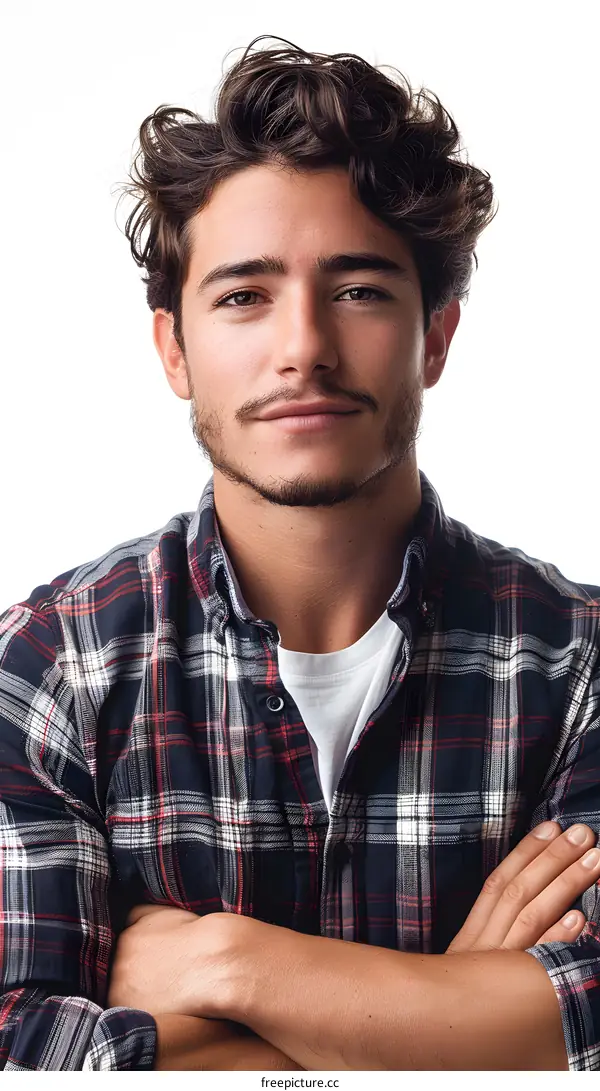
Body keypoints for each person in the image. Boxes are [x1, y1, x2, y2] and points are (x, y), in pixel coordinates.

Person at [1, 34, 599, 1072]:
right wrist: (463, 1016)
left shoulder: (577, 660)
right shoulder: (53, 664)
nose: (303, 347)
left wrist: (233, 966)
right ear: (174, 350)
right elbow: (20, 1049)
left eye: (360, 289)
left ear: (438, 334)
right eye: (244, 294)